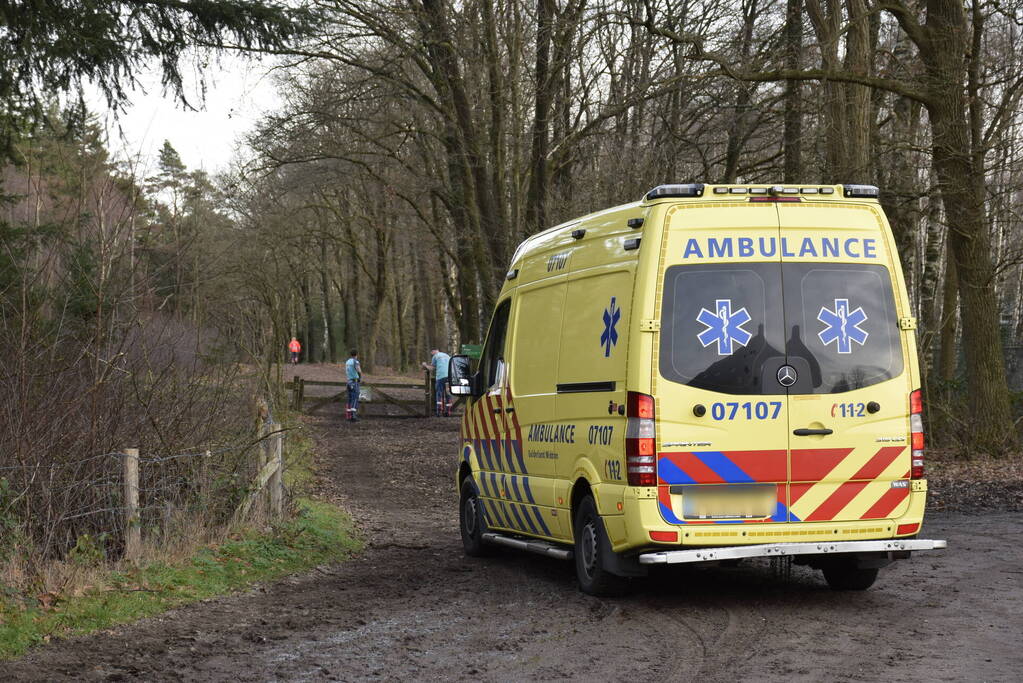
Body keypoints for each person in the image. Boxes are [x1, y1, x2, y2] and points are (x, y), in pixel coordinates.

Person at [422, 348, 452, 417]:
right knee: (448, 393)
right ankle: (448, 412)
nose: (431, 354)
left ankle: (439, 412)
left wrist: (425, 365)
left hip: (440, 377)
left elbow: (432, 368)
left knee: (439, 393)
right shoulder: (447, 355)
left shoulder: (435, 356)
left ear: (434, 351)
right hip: (449, 377)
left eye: (431, 353)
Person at [345, 349, 362, 422]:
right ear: (356, 354)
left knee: (349, 399)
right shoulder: (356, 362)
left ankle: (348, 416)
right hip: (354, 382)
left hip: (348, 382)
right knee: (355, 398)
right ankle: (353, 416)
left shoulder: (347, 362)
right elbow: (359, 370)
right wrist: (360, 377)